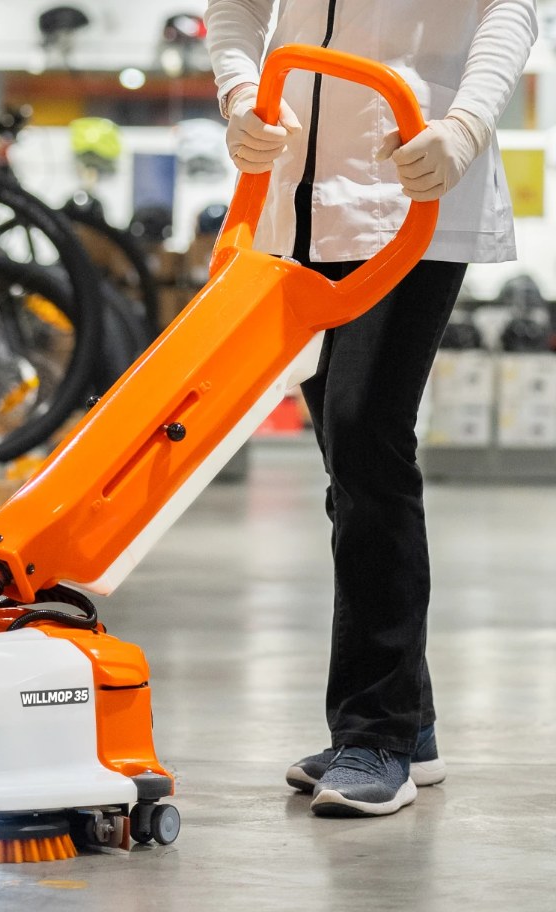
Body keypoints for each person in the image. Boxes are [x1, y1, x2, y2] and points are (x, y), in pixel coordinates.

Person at [205, 0, 538, 817]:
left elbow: (510, 7)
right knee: (348, 456)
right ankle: (409, 725)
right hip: (295, 201)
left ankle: (375, 734)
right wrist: (241, 93)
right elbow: (236, 7)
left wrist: (465, 127)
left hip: (415, 188)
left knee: (365, 435)